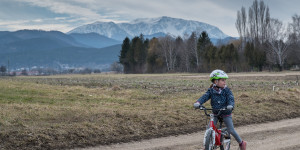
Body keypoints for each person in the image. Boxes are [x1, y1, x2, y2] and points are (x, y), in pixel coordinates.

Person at [194, 69, 247, 150]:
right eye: (222, 80)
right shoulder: (211, 90)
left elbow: (231, 99)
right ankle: (207, 146)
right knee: (209, 129)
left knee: (231, 130)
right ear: (215, 82)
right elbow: (204, 97)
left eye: (225, 80)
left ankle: (241, 143)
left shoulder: (227, 90)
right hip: (215, 113)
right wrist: (198, 103)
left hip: (226, 112)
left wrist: (230, 105)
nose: (225, 82)